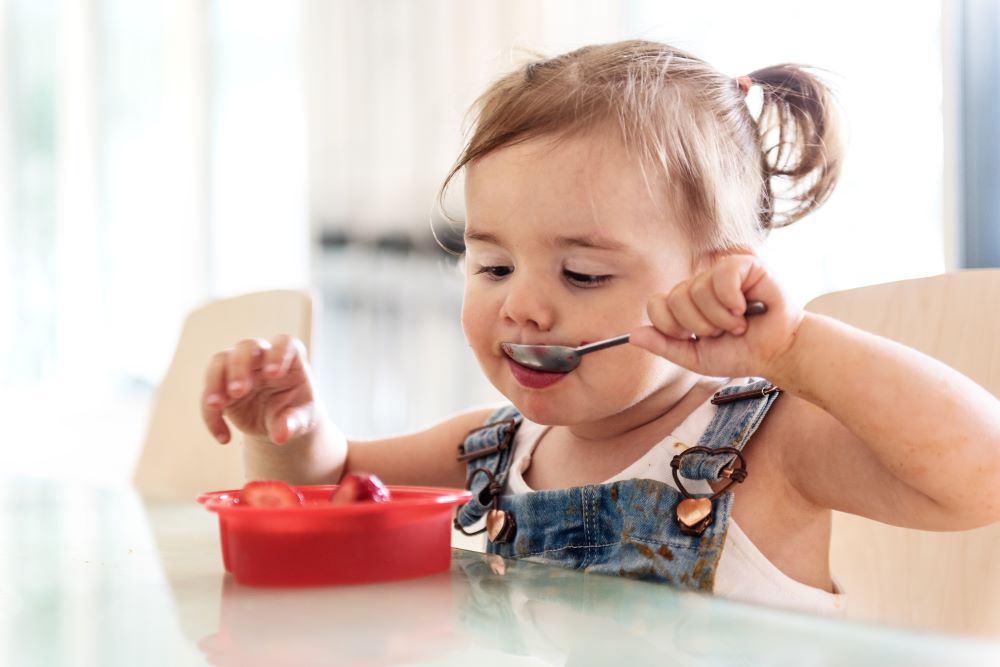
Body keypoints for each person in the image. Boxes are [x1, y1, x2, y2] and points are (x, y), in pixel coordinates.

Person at [200, 40, 1000, 614]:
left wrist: (795, 348)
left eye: (581, 273)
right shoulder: (492, 449)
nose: (522, 307)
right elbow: (331, 494)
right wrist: (289, 430)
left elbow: (983, 474)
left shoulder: (770, 447)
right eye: (492, 266)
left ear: (714, 281)